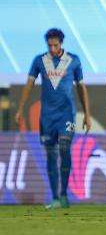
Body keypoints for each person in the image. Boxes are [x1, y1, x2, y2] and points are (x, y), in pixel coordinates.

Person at [15, 28, 92, 209]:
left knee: (65, 149)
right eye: (49, 45)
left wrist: (87, 114)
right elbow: (29, 85)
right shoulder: (39, 61)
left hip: (67, 114)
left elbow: (82, 88)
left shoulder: (73, 60)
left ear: (61, 43)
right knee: (51, 155)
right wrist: (20, 109)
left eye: (55, 45)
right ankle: (55, 198)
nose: (52, 48)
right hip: (47, 116)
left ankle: (64, 193)